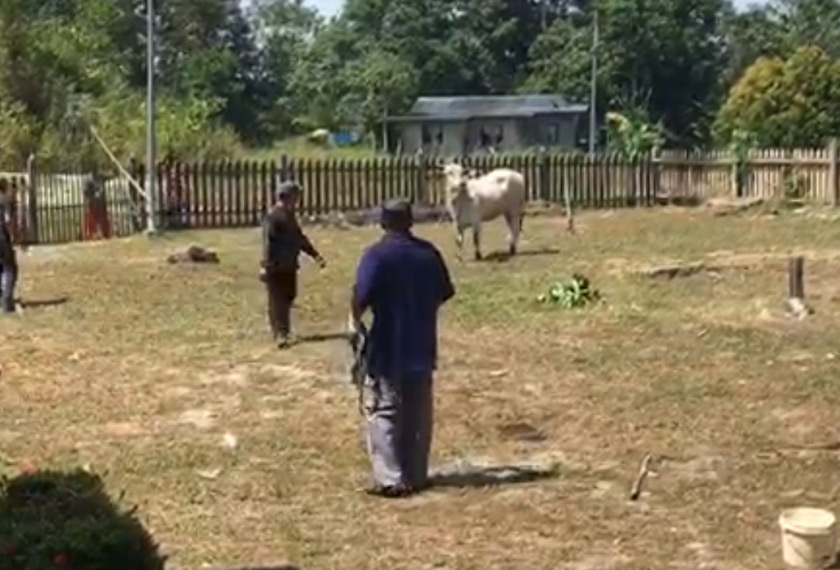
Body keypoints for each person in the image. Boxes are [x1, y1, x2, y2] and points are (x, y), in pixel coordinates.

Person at [350, 198, 455, 498]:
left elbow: (361, 296)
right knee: (418, 413)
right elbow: (444, 292)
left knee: (384, 410)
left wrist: (356, 324)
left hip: (387, 345)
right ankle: (416, 472)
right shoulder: (428, 254)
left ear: (383, 222)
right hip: (422, 344)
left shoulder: (377, 256)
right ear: (410, 221)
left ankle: (391, 478)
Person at [260, 181, 326, 347]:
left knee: (289, 296)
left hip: (289, 264)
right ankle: (280, 334)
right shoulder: (273, 216)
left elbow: (299, 238)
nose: (298, 200)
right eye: (296, 196)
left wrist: (315, 255)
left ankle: (284, 330)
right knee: (277, 300)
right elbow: (268, 242)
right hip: (275, 265)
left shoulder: (290, 216)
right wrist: (264, 265)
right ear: (288, 197)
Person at [0, 178, 18, 314]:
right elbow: (7, 220)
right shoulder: (5, 201)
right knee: (10, 267)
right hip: (2, 238)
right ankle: (6, 301)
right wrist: (14, 235)